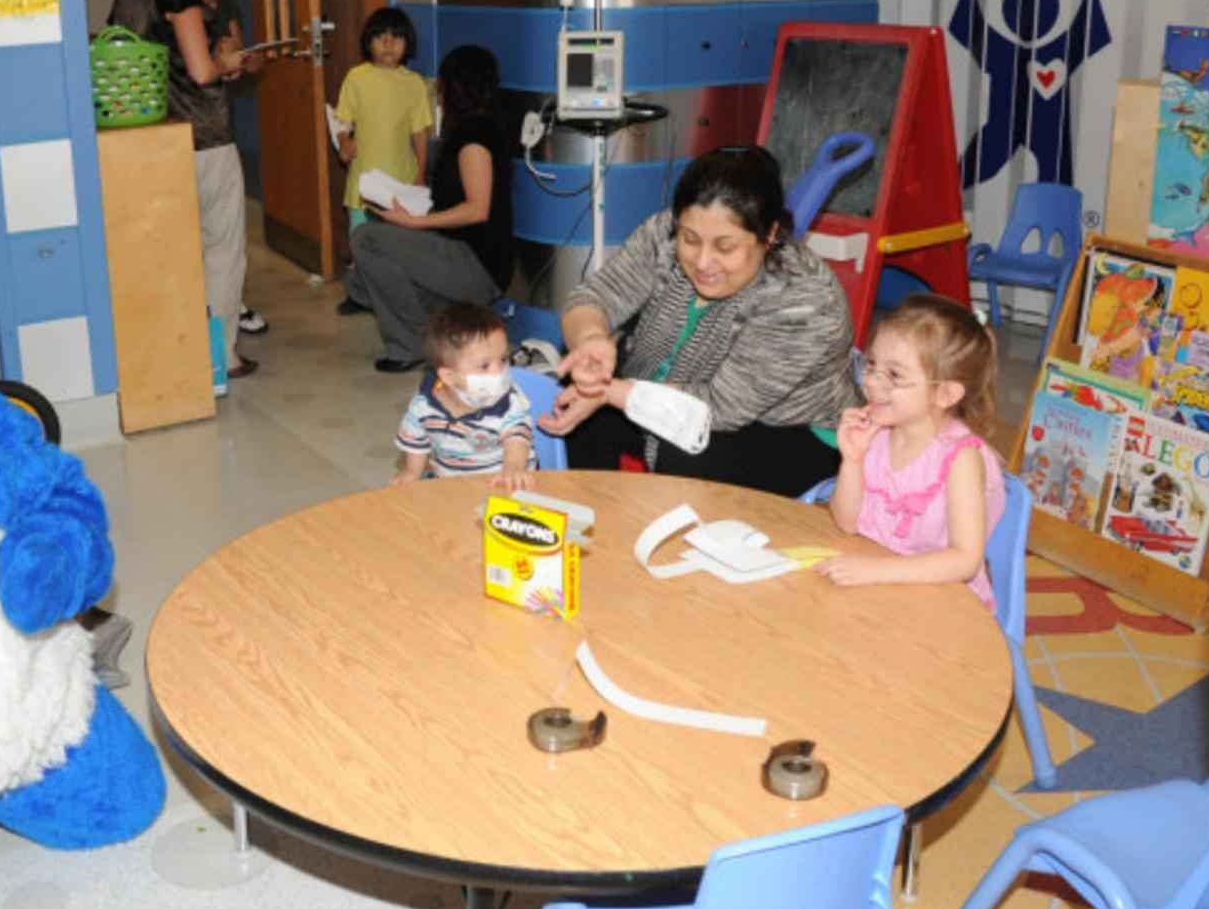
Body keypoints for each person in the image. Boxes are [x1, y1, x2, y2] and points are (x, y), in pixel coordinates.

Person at [538, 145, 856, 494]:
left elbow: (720, 408)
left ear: (769, 235)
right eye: (690, 239)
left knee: (684, 450)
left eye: (725, 247)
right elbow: (593, 297)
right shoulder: (664, 234)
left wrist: (607, 391)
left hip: (788, 430)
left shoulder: (805, 299)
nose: (703, 262)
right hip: (667, 386)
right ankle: (584, 516)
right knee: (574, 408)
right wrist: (590, 341)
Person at [107, 0, 254, 379]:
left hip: (147, 141)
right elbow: (202, 71)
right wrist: (226, 61)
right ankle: (220, 356)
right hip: (204, 140)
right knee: (221, 251)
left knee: (162, 253)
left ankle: (167, 352)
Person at [819, 294, 1005, 611]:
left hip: (942, 596)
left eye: (894, 375)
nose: (872, 382)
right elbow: (847, 523)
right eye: (872, 364)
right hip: (876, 578)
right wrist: (852, 459)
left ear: (945, 393)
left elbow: (965, 561)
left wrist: (877, 572)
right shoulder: (878, 431)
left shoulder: (960, 458)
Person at [346, 44, 514, 372]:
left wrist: (413, 224)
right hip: (459, 253)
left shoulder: (474, 137)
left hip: (474, 264)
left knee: (366, 240)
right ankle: (435, 331)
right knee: (359, 280)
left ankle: (412, 344)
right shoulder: (478, 127)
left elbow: (477, 210)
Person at [200, 0, 270, 340]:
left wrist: (245, 59)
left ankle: (227, 306)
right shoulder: (178, 3)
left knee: (224, 237)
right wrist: (218, 62)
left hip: (217, 128)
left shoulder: (225, 6)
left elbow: (243, 55)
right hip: (186, 134)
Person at [334, 6, 432, 295]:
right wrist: (344, 143)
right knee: (360, 242)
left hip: (401, 181)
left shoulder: (413, 84)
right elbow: (342, 120)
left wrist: (421, 173)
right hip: (362, 183)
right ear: (369, 42)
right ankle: (359, 294)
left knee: (397, 244)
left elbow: (420, 133)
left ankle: (394, 296)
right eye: (381, 37)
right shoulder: (356, 77)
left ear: (407, 44)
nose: (388, 44)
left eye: (396, 38)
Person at [392, 303, 535, 491]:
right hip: (450, 486)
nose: (499, 372)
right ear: (449, 377)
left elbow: (517, 437)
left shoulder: (508, 400)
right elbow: (416, 440)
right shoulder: (424, 404)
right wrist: (412, 472)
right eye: (484, 366)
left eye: (503, 359)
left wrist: (513, 468)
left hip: (503, 483)